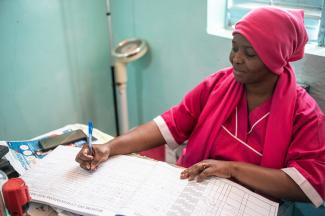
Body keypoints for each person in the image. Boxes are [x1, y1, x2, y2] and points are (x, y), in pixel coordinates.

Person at [76, 7, 325, 208]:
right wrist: (109, 147)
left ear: (276, 57)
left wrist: (232, 170)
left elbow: (309, 184)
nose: (236, 58)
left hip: (253, 206)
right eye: (234, 47)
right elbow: (172, 123)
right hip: (194, 193)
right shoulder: (218, 85)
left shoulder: (304, 115)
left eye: (249, 53)